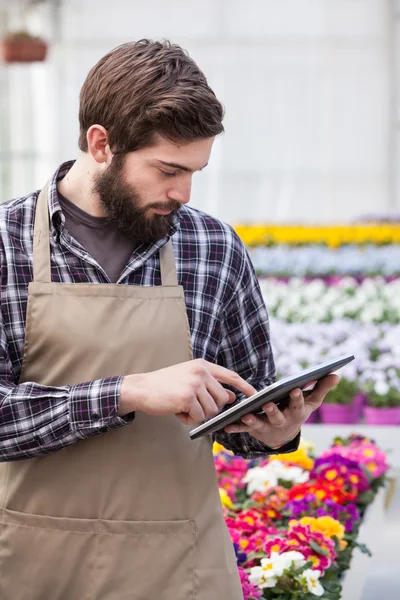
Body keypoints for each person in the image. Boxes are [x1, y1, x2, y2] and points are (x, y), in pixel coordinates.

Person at [0, 40, 338, 599]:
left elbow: (242, 414)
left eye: (195, 171)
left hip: (177, 570)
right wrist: (126, 392)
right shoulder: (6, 242)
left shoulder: (212, 247)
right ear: (101, 144)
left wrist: (276, 434)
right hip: (30, 567)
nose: (182, 192)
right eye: (167, 170)